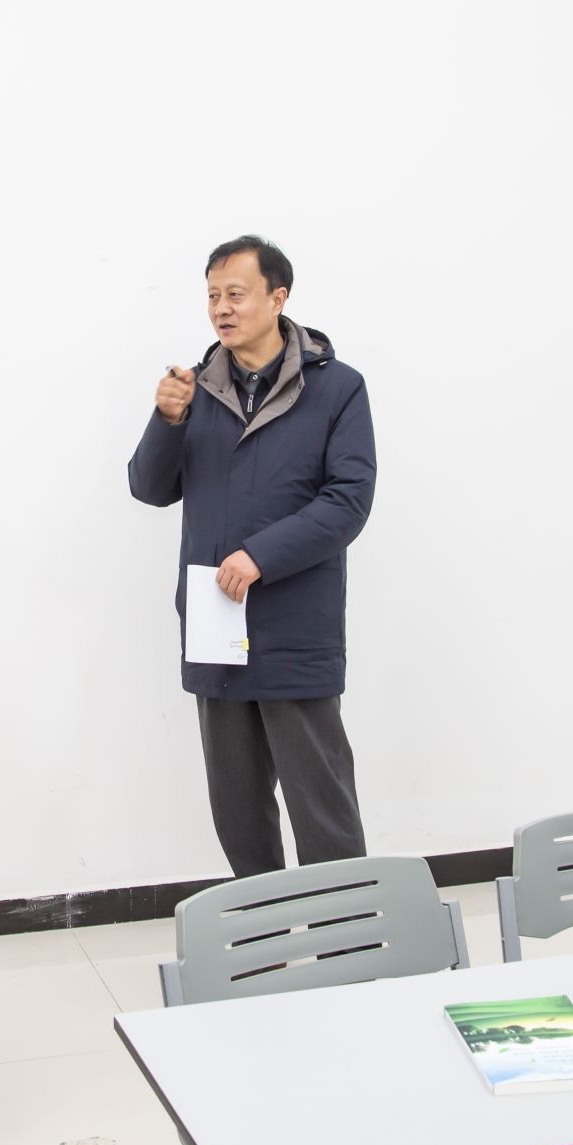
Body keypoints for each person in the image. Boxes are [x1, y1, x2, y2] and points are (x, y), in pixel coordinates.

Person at [128, 235, 377, 879]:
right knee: (237, 807)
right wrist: (167, 421)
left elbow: (348, 501)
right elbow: (149, 489)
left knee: (321, 804)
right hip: (216, 622)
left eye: (235, 294)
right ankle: (261, 929)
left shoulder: (337, 388)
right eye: (213, 295)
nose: (221, 308)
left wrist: (261, 556)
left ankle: (347, 932)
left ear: (278, 297)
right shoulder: (195, 389)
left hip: (295, 624)